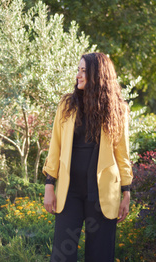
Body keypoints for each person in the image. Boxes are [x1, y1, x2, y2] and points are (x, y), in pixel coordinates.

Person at [43, 52, 133, 262]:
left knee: (100, 256)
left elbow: (122, 153)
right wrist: (49, 185)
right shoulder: (67, 105)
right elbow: (54, 147)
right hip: (69, 191)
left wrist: (126, 191)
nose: (78, 75)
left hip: (103, 193)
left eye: (84, 70)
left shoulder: (117, 109)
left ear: (97, 74)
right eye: (78, 70)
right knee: (62, 256)